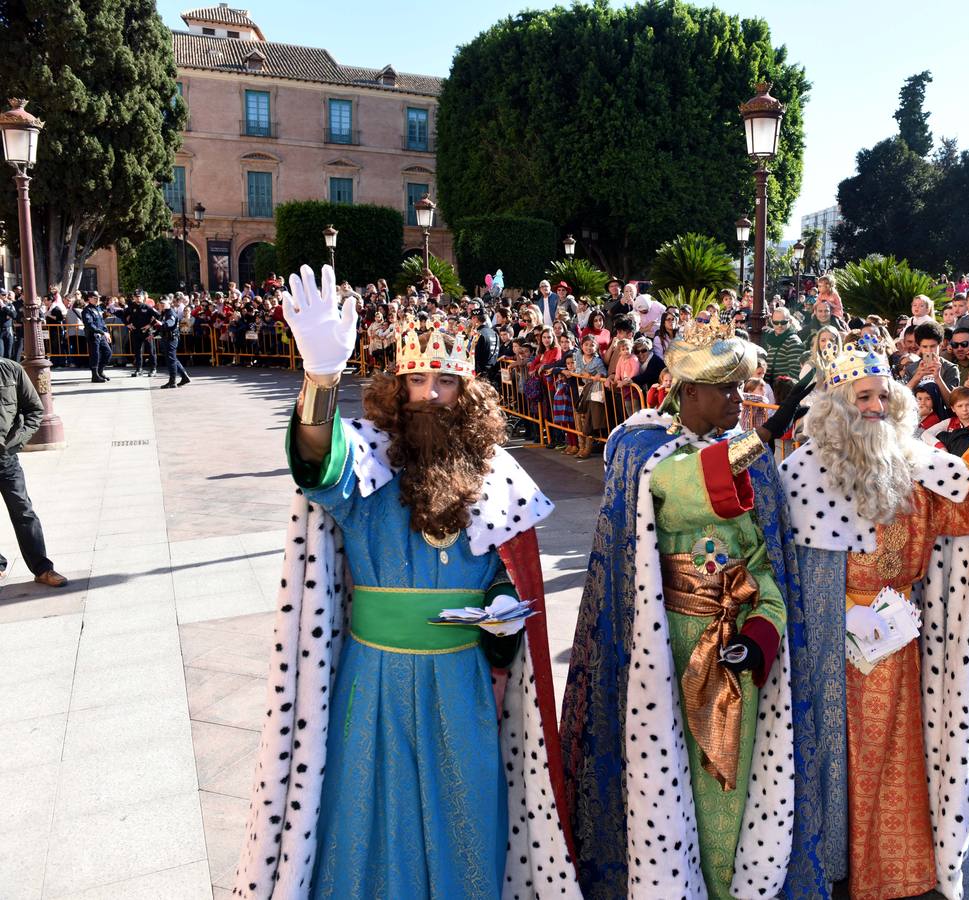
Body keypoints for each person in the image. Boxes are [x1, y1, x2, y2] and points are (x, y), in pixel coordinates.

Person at [232, 265, 575, 898]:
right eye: (418, 379)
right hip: (375, 679)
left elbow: (508, 576)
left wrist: (502, 614)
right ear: (399, 387)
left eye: (446, 380)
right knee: (366, 821)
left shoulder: (499, 473)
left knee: (469, 818)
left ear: (468, 390)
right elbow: (316, 463)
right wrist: (321, 379)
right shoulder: (367, 454)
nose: (431, 393)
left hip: (462, 682)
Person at [560, 320, 813, 900]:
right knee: (666, 776)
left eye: (743, 389)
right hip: (664, 642)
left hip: (735, 643)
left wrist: (760, 634)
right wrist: (766, 432)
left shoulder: (746, 458)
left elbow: (763, 564)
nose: (738, 400)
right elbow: (679, 488)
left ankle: (729, 885)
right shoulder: (640, 444)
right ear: (688, 392)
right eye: (726, 390)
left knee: (732, 782)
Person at [780, 347, 969, 900]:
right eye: (861, 397)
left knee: (886, 753)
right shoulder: (798, 470)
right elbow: (779, 561)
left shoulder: (914, 462)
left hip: (893, 645)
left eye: (882, 396)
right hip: (819, 644)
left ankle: (883, 867)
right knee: (817, 750)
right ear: (833, 408)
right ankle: (826, 861)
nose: (875, 406)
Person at [0, 358, 66, 588]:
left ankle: (42, 568)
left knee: (23, 511)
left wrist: (16, 443)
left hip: (5, 458)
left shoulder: (10, 370)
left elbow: (34, 410)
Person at [154, 298, 191, 388]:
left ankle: (172, 381)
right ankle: (184, 377)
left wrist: (162, 324)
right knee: (173, 359)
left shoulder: (170, 313)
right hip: (166, 338)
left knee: (171, 360)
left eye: (163, 303)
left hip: (171, 339)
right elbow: (161, 327)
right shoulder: (164, 313)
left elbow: (169, 324)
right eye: (160, 303)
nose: (161, 305)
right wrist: (154, 334)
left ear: (169, 303)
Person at [125, 291, 158, 377]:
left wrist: (150, 324)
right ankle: (139, 369)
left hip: (147, 332)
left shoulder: (147, 307)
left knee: (151, 351)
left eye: (139, 297)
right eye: (136, 297)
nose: (138, 298)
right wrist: (127, 324)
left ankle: (153, 369)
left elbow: (158, 316)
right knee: (137, 351)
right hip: (136, 332)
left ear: (143, 297)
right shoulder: (131, 307)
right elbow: (123, 314)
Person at [80, 293, 111, 383]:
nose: (97, 299)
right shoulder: (86, 310)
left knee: (108, 353)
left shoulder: (98, 308)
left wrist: (106, 333)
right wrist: (102, 332)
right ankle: (95, 375)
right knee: (95, 356)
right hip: (93, 336)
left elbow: (102, 323)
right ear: (89, 299)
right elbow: (89, 325)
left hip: (101, 336)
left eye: (98, 298)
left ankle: (100, 371)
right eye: (95, 298)